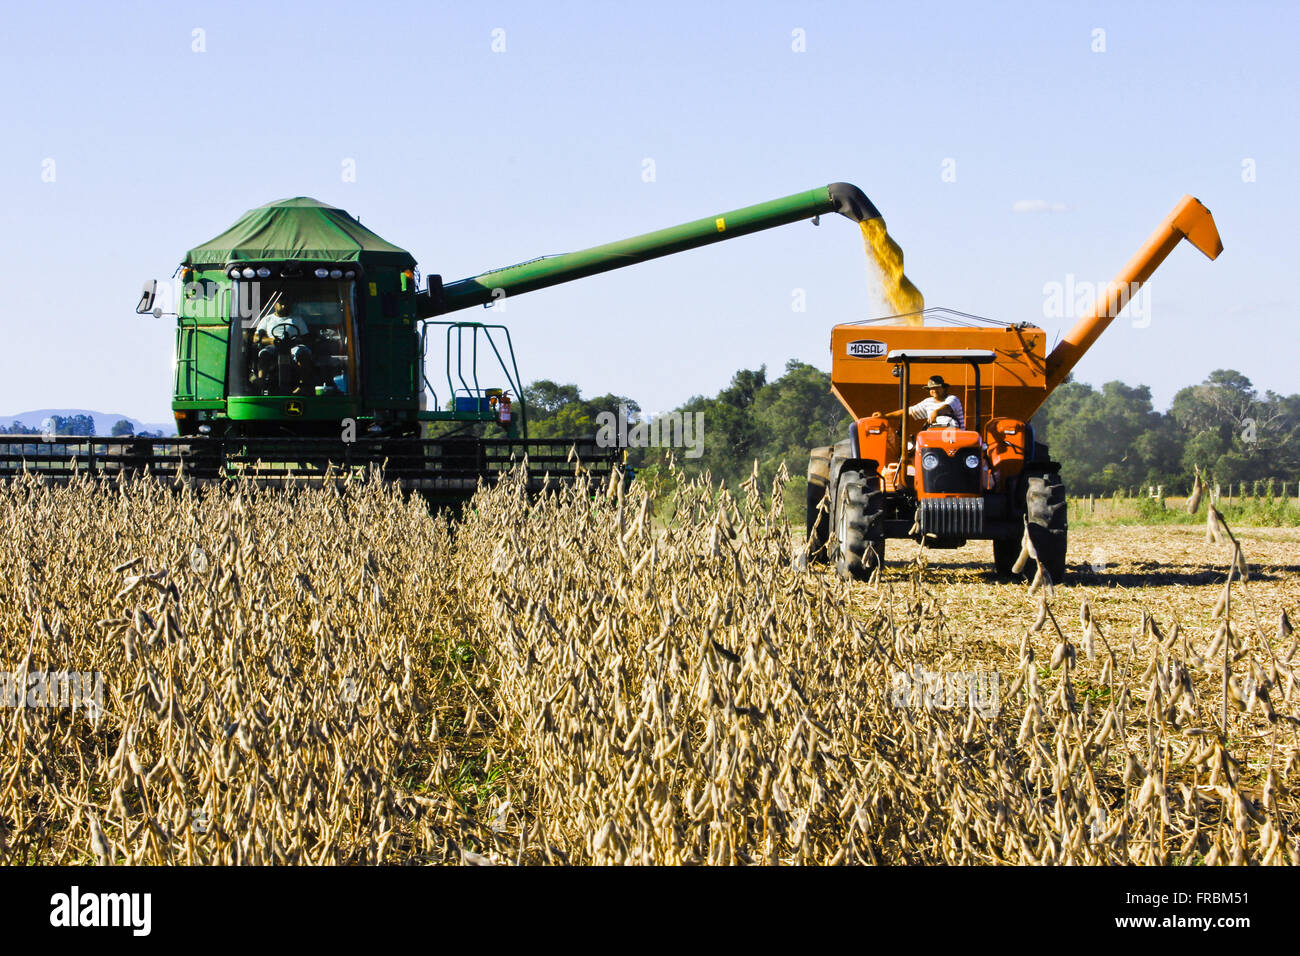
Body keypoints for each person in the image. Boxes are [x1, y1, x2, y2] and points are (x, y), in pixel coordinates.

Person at [882, 375, 964, 429]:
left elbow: (947, 407)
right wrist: (885, 416)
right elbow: (909, 411)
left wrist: (936, 412)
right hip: (935, 436)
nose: (934, 390)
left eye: (937, 388)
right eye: (931, 388)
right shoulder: (928, 402)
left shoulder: (953, 399)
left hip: (955, 436)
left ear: (944, 388)